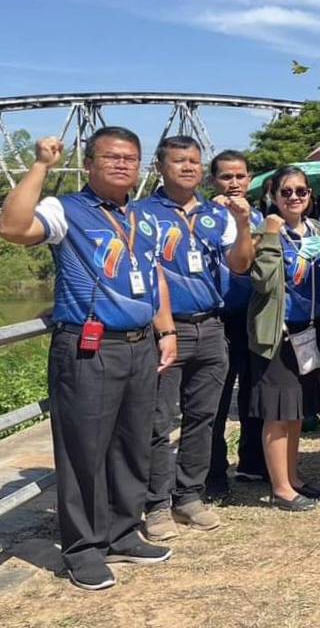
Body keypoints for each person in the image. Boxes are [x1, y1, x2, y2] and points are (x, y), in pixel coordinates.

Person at [0, 129, 177, 590]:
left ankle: (123, 532)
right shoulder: (66, 210)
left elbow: (153, 274)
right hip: (89, 347)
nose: (121, 164)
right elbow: (12, 228)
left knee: (133, 445)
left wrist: (166, 330)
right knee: (85, 452)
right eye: (110, 157)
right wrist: (41, 165)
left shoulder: (142, 215)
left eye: (130, 158)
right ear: (89, 163)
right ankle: (84, 549)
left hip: (140, 344)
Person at [138, 137, 254, 540]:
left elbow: (239, 265)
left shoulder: (215, 213)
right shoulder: (141, 213)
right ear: (159, 167)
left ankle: (189, 495)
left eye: (194, 161)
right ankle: (155, 504)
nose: (188, 167)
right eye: (179, 160)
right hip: (165, 329)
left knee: (203, 418)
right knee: (158, 421)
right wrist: (164, 329)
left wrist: (243, 224)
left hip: (211, 325)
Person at [248, 167, 320, 511]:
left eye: (301, 191)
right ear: (273, 195)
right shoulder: (265, 231)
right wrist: (269, 236)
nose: (294, 197)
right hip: (277, 333)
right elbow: (262, 281)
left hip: (308, 329)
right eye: (286, 192)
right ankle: (280, 487)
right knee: (278, 411)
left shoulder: (317, 230)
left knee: (296, 410)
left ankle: (293, 476)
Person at [206, 150, 267, 499]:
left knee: (254, 392)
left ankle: (253, 462)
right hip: (218, 316)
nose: (233, 183)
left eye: (240, 176)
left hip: (253, 314)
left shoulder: (257, 217)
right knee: (216, 398)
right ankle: (213, 474)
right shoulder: (203, 216)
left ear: (250, 179)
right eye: (226, 176)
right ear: (213, 180)